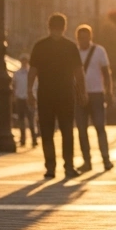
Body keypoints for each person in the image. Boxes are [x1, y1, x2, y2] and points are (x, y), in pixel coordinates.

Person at [28, 13, 85, 180]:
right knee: (67, 131)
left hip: (45, 94)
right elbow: (79, 73)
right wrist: (82, 92)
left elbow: (32, 71)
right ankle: (68, 167)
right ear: (65, 27)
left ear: (49, 26)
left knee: (47, 131)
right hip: (66, 94)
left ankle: (50, 168)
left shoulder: (40, 46)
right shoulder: (71, 46)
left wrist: (29, 91)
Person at [74, 24, 114, 172]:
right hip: (79, 95)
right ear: (77, 38)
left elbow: (106, 72)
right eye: (80, 38)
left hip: (97, 94)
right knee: (82, 129)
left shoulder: (99, 51)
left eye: (85, 38)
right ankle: (87, 162)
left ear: (90, 37)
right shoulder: (74, 52)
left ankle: (106, 160)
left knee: (100, 127)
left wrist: (109, 92)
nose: (82, 41)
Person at [12, 56, 37, 149]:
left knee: (31, 120)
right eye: (22, 61)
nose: (24, 63)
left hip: (29, 98)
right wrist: (14, 96)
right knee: (21, 120)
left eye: (25, 61)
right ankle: (23, 139)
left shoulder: (31, 73)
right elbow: (14, 85)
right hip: (20, 99)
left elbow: (35, 85)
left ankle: (34, 139)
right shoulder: (17, 73)